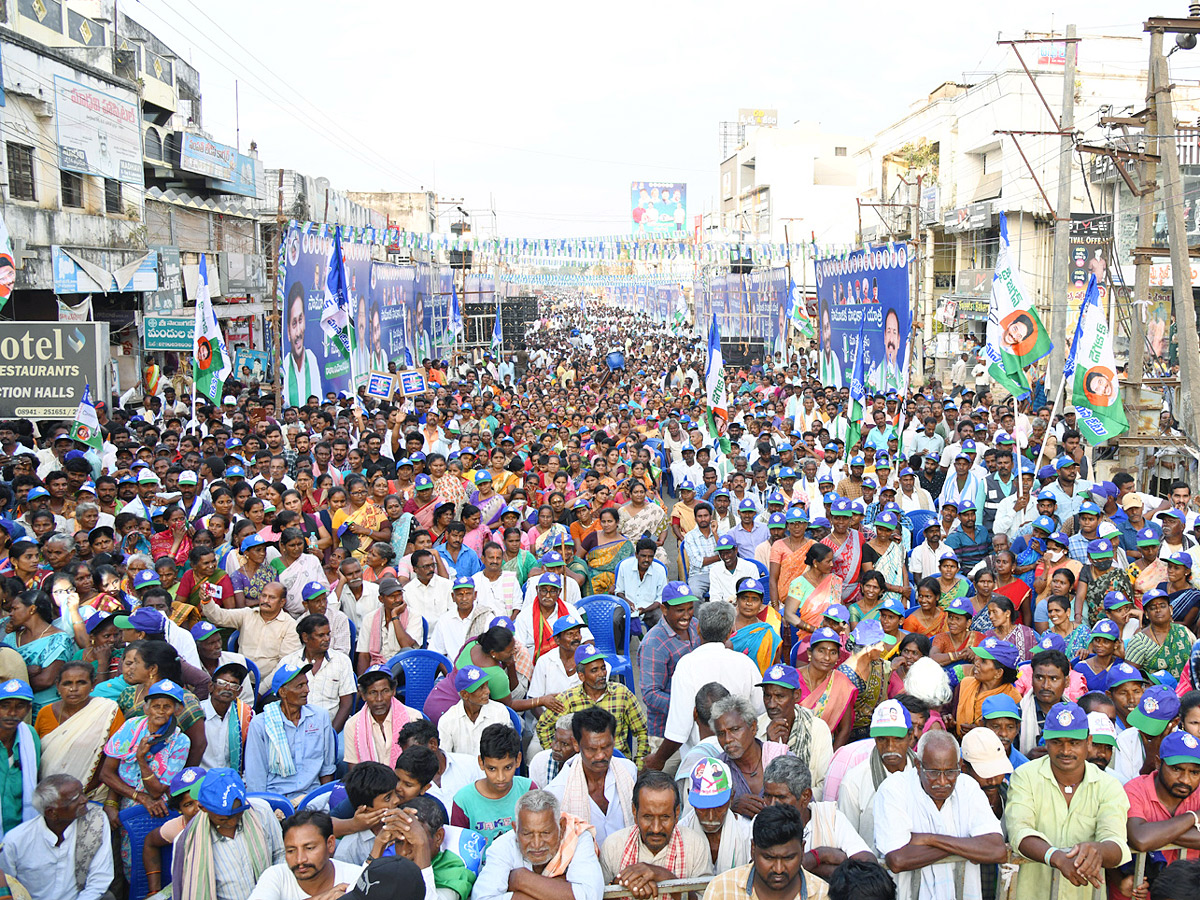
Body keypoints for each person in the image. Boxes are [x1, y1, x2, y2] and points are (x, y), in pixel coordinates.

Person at [1006, 701, 1132, 899]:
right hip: (1032, 893)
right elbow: (1019, 832)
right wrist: (1056, 858)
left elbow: (1116, 842)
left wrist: (1098, 850)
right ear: (1046, 742)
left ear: (1088, 742)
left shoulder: (1108, 785)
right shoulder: (1025, 776)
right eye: (1057, 742)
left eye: (1074, 742)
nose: (1065, 751)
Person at [874, 730, 1007, 900]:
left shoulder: (968, 787)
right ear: (918, 765)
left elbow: (997, 850)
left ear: (959, 765)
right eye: (934, 772)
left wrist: (930, 839)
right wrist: (967, 846)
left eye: (951, 771)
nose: (943, 781)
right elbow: (898, 860)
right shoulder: (894, 789)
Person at [644, 602, 765, 772]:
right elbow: (760, 712)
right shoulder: (746, 664)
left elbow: (679, 729)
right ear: (731, 631)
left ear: (698, 629)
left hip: (700, 764)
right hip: (741, 757)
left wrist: (657, 760)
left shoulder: (687, 665)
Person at [170, 766, 286, 900]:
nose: (232, 823)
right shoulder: (186, 842)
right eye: (223, 819)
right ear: (203, 808)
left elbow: (280, 853)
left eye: (238, 814)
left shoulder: (261, 812)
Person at [472, 789, 604, 900]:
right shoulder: (503, 846)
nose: (536, 844)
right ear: (515, 829)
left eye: (545, 833)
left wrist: (521, 879)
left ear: (562, 827)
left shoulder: (577, 837)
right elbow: (483, 897)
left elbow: (590, 895)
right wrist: (557, 890)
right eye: (527, 834)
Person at [0, 774, 113, 900]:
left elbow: (99, 880)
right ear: (51, 812)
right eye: (75, 798)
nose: (84, 800)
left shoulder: (95, 820)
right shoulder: (16, 841)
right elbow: (9, 885)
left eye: (82, 793)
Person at [536, 642, 649, 767]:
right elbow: (543, 727)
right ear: (581, 676)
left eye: (603, 668)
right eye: (594, 670)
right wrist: (559, 758)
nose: (601, 674)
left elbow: (642, 731)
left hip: (617, 762)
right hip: (581, 766)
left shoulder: (622, 694)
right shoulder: (568, 698)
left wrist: (639, 766)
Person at [545, 706, 639, 847]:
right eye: (592, 749)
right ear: (576, 744)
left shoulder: (628, 771)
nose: (601, 755)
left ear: (614, 740)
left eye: (606, 747)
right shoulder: (558, 791)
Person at [598, 770, 710, 886]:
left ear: (677, 814)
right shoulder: (613, 847)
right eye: (648, 817)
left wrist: (664, 876)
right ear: (634, 811)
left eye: (665, 817)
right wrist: (621, 884)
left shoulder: (695, 846)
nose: (656, 829)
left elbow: (705, 896)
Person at [243, 663, 337, 801]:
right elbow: (255, 775)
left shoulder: (320, 717)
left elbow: (327, 768)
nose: (307, 690)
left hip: (312, 796)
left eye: (306, 684)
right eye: (300, 686)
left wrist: (326, 800)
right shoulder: (261, 724)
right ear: (283, 692)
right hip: (276, 797)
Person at [34, 661, 123, 798]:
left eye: (81, 683)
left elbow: (117, 759)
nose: (73, 688)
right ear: (58, 686)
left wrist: (112, 802)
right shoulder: (45, 713)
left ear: (93, 684)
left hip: (93, 794)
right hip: (50, 796)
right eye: (67, 683)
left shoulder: (107, 711)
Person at [837, 700, 916, 848]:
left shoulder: (924, 773)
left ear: (910, 737)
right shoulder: (854, 782)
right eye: (882, 739)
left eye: (898, 739)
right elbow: (846, 839)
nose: (890, 747)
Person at [755, 663, 834, 800]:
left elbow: (825, 785)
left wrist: (792, 800)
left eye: (780, 696)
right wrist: (771, 746)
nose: (771, 704)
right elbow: (756, 784)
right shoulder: (756, 729)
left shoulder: (817, 729)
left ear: (796, 696)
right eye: (767, 696)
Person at [699, 803, 811, 900]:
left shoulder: (822, 894)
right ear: (753, 849)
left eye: (788, 858)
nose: (778, 869)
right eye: (768, 858)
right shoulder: (721, 890)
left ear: (802, 849)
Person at [246, 809, 364, 900]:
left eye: (309, 848)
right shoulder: (276, 875)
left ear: (330, 844)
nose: (300, 859)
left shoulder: (356, 878)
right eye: (291, 850)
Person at [1125, 729, 1200, 869]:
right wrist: (1194, 817)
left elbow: (1145, 837)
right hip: (1139, 888)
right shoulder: (1135, 789)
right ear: (1158, 763)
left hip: (1187, 889)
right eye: (1176, 769)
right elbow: (1141, 839)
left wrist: (1157, 833)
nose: (1185, 780)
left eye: (1194, 772)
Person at [449, 723, 531, 847]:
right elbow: (459, 850)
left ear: (518, 760)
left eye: (508, 767)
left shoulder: (528, 790)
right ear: (481, 763)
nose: (500, 777)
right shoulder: (463, 801)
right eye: (492, 769)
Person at [678, 757, 753, 874]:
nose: (711, 817)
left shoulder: (747, 834)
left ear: (731, 798)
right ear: (688, 795)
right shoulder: (680, 834)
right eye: (703, 807)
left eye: (718, 807)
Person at [343, 665, 423, 769]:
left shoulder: (412, 718)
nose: (379, 699)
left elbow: (419, 763)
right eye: (373, 692)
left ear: (393, 691)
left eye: (385, 691)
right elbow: (354, 769)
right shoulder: (353, 725)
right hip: (369, 783)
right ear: (363, 695)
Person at [437, 665, 511, 756]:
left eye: (486, 685)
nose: (487, 691)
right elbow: (445, 756)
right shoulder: (448, 720)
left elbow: (506, 750)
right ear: (465, 695)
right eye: (481, 688)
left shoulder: (499, 711)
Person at [199, 660, 253, 770]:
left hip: (231, 779)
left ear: (239, 691)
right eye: (222, 683)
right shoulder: (198, 712)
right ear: (211, 686)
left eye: (234, 685)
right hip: (201, 779)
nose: (228, 688)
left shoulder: (246, 715)